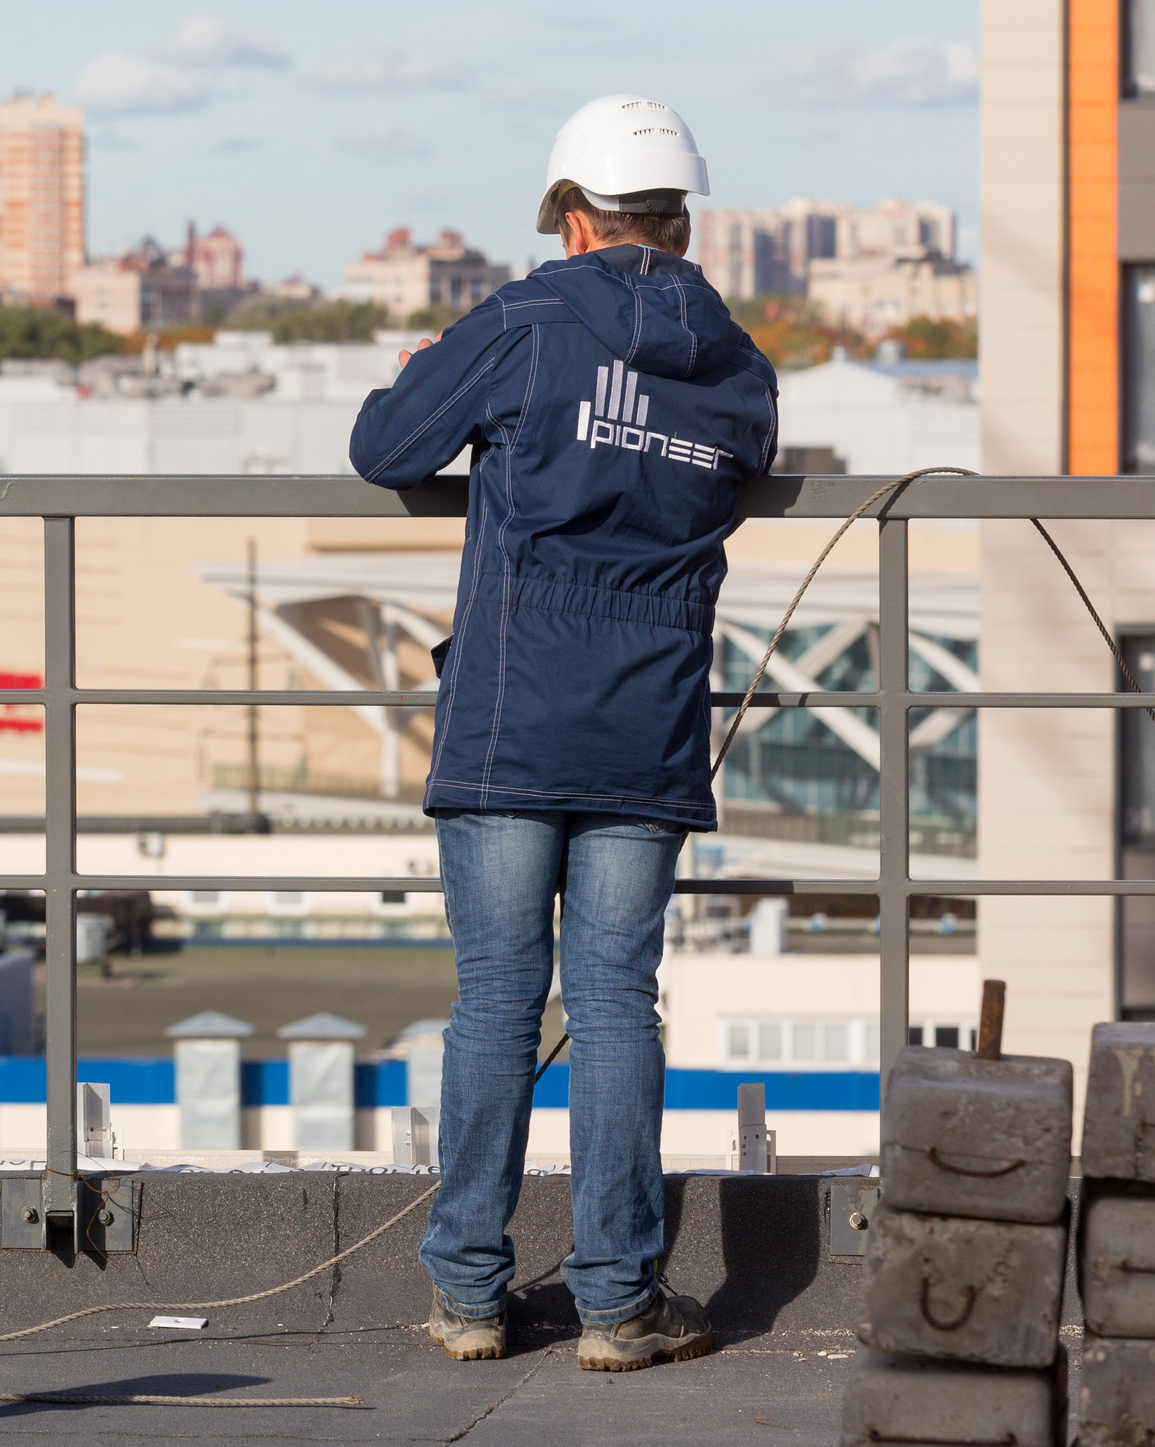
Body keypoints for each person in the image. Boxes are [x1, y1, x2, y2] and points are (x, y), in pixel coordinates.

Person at [348, 95, 778, 1370]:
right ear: (682, 220)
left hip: (508, 712)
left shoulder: (526, 324)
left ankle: (471, 1295)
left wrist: (442, 366)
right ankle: (616, 1302)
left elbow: (385, 445)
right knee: (613, 1004)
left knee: (494, 1002)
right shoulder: (739, 364)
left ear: (573, 215)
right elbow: (729, 468)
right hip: (646, 716)